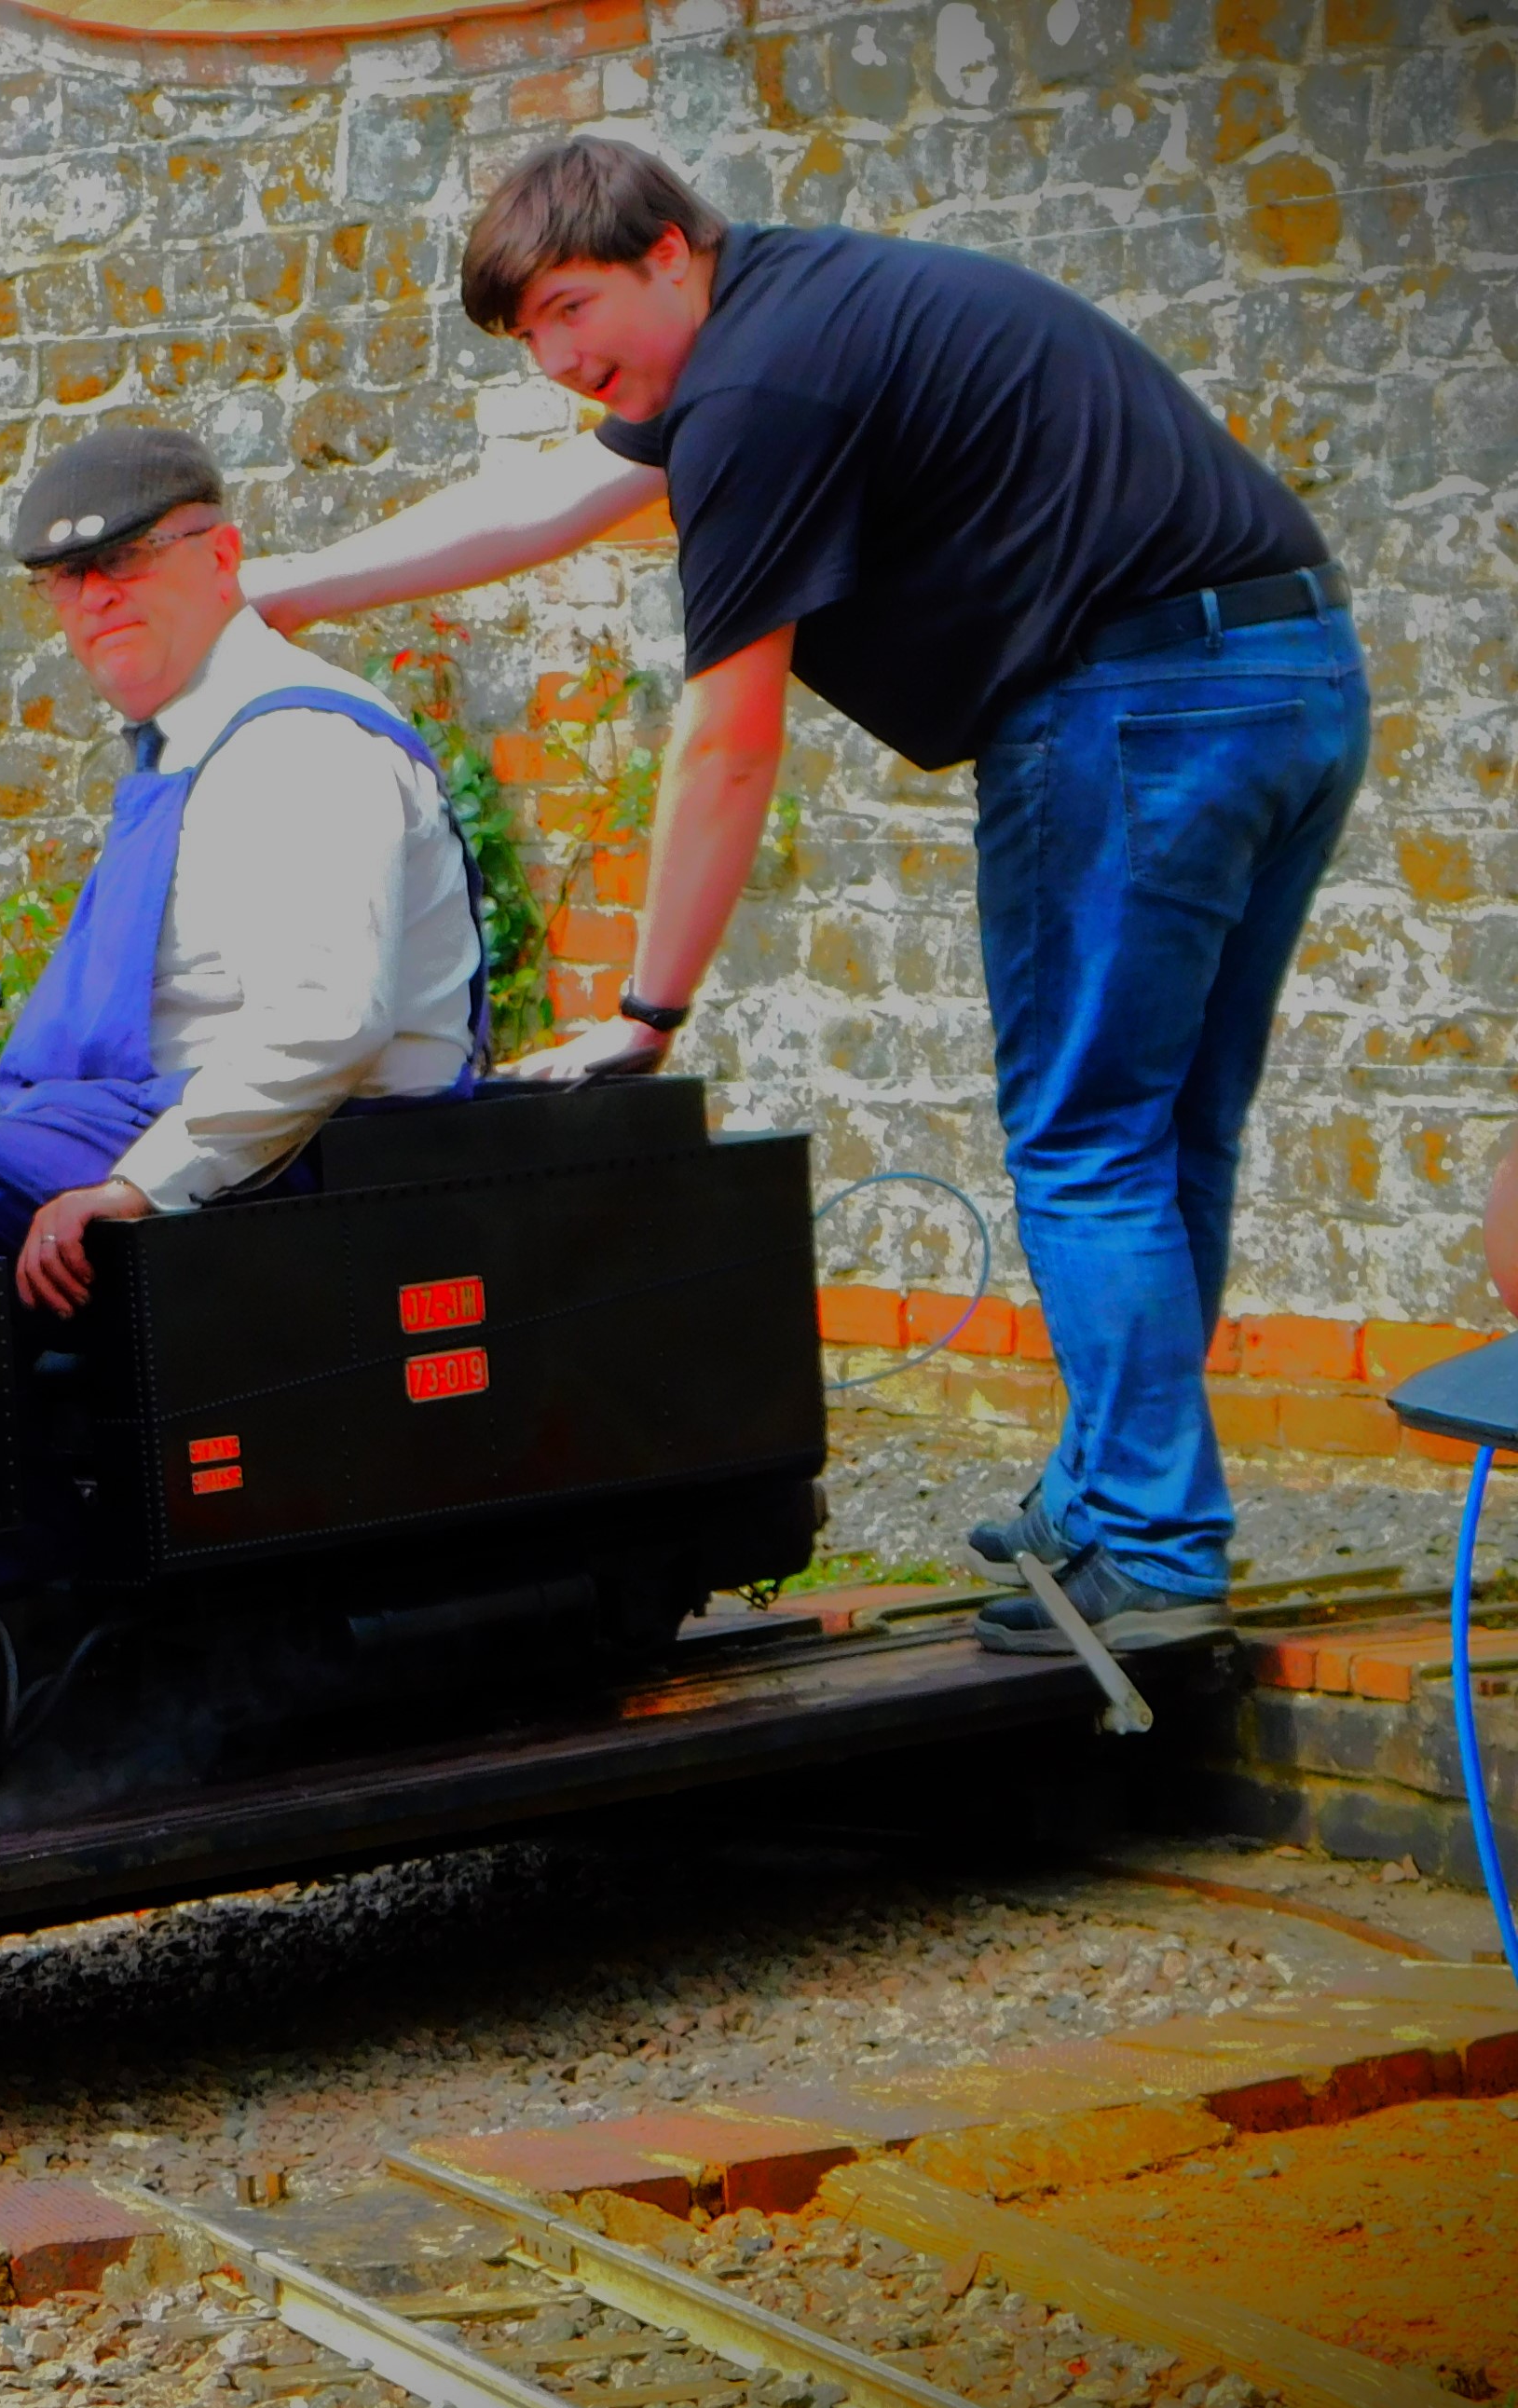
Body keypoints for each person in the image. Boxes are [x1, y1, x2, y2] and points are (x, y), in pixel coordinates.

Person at [244, 136, 1362, 1655]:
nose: (560, 359)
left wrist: (643, 1012)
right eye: (529, 335)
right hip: (1290, 675)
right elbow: (547, 501)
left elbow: (725, 740)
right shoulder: (789, 305)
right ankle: (1111, 1495)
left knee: (1088, 1140)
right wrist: (288, 589)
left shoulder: (756, 390)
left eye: (572, 308)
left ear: (666, 250)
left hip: (1136, 707)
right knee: (1165, 1132)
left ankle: (1154, 1550)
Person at [0, 425, 484, 1316]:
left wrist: (139, 1185)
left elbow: (327, 1026)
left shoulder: (302, 744)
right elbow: (184, 997)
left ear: (223, 556)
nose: (97, 595)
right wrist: (15, 1075)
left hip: (313, 1152)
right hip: (159, 1104)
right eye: (68, 576)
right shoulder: (190, 736)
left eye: (129, 557)